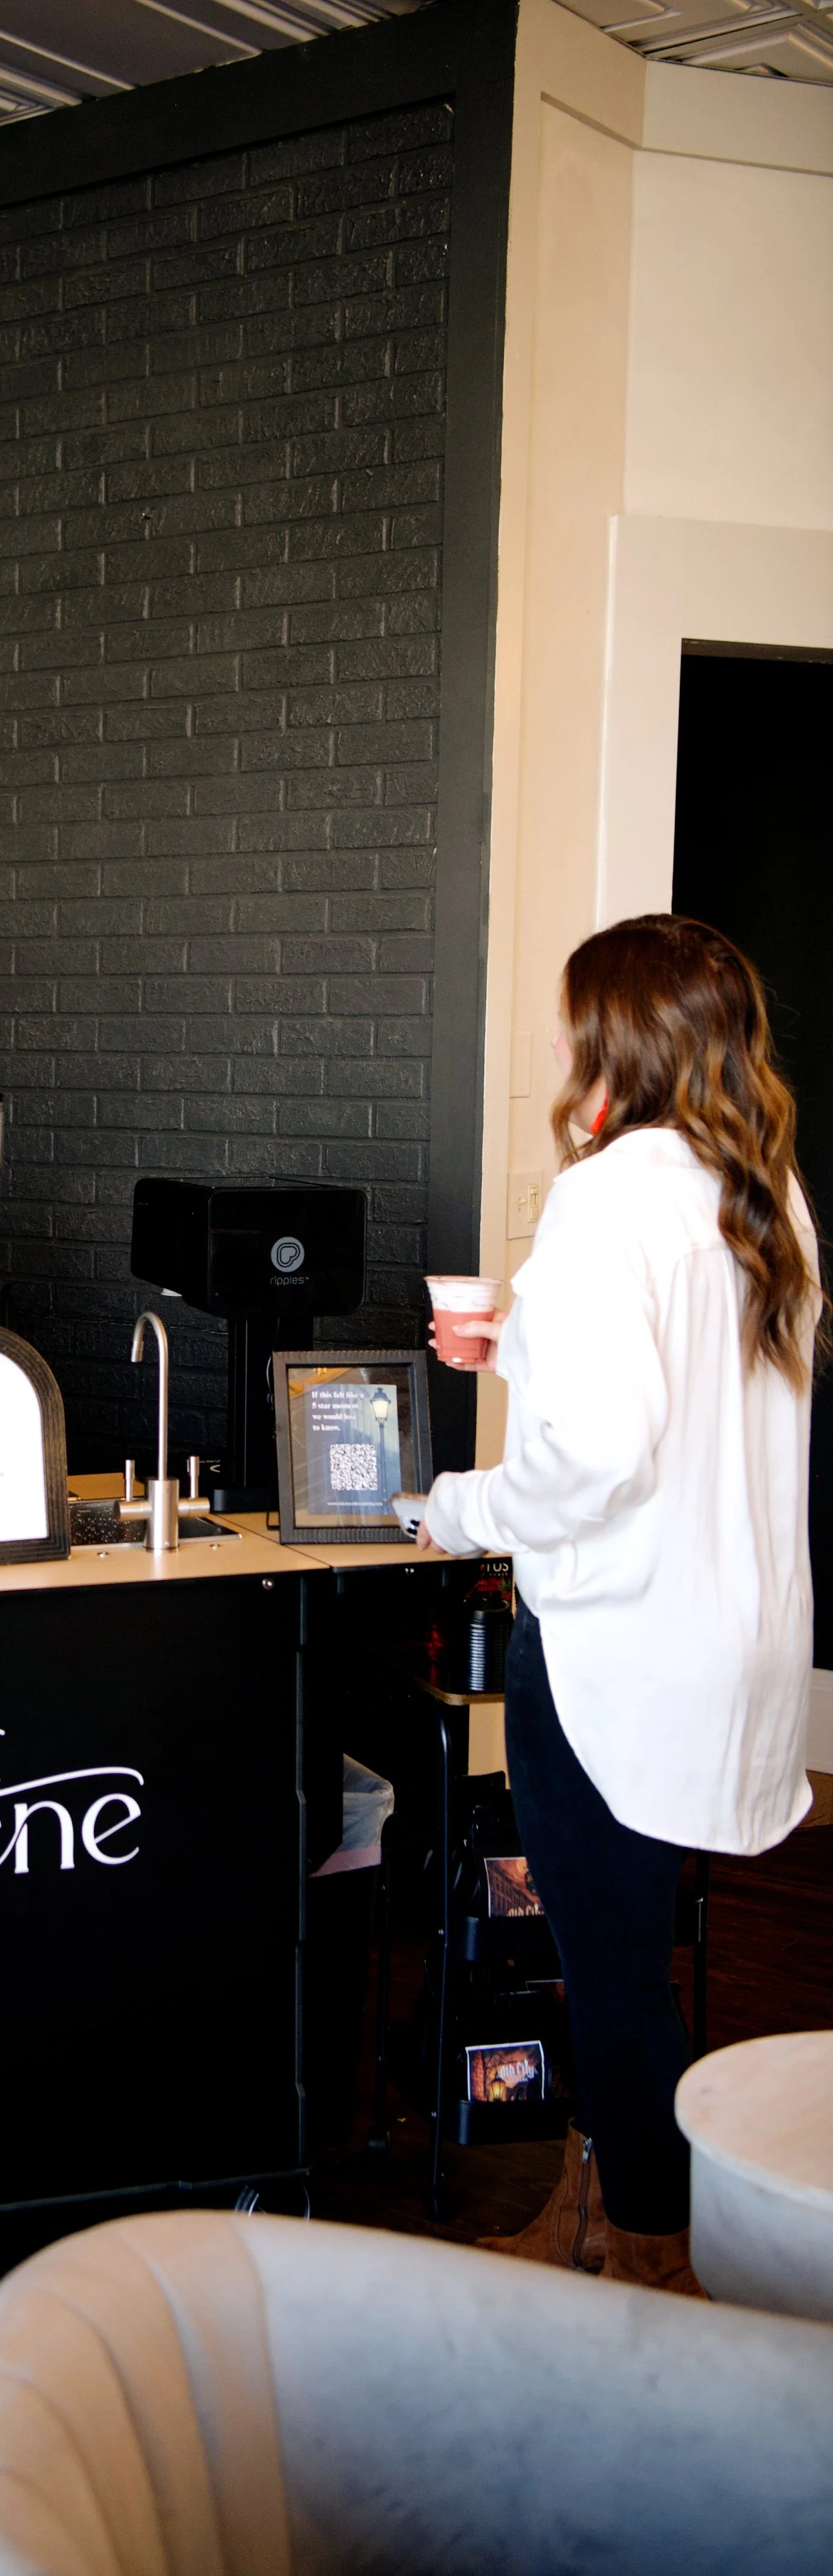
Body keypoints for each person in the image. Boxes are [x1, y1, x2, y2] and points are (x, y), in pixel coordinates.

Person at [420, 915, 819, 2296]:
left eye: (571, 1015)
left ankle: (647, 2255)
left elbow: (598, 1459)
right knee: (631, 1955)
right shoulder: (758, 1191)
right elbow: (689, 1393)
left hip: (616, 1650)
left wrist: (451, 1508)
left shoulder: (603, 1198)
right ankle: (588, 2214)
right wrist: (516, 1346)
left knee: (608, 1972)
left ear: (618, 1038)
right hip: (729, 1643)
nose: (555, 1039)